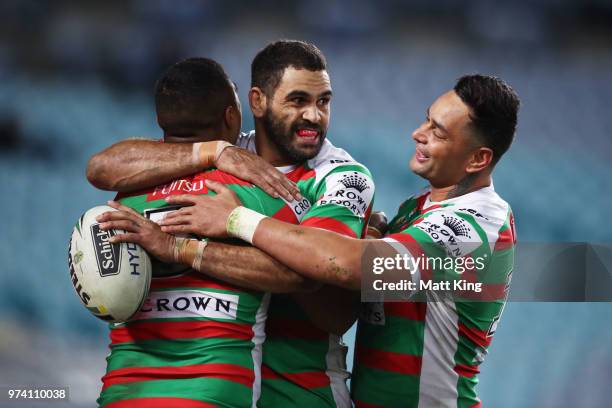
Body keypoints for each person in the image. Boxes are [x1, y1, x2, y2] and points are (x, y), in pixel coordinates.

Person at [140, 74, 520, 407]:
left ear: (477, 159)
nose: (418, 133)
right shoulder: (416, 208)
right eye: (426, 119)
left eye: (438, 132)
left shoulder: (474, 225)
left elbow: (352, 266)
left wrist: (236, 219)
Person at [91, 40, 375, 407]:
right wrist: (215, 152)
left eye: (324, 102)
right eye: (298, 101)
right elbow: (102, 167)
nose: (314, 116)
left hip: (300, 394)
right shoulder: (222, 153)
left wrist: (234, 223)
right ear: (255, 102)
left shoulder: (341, 177)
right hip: (226, 389)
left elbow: (332, 305)